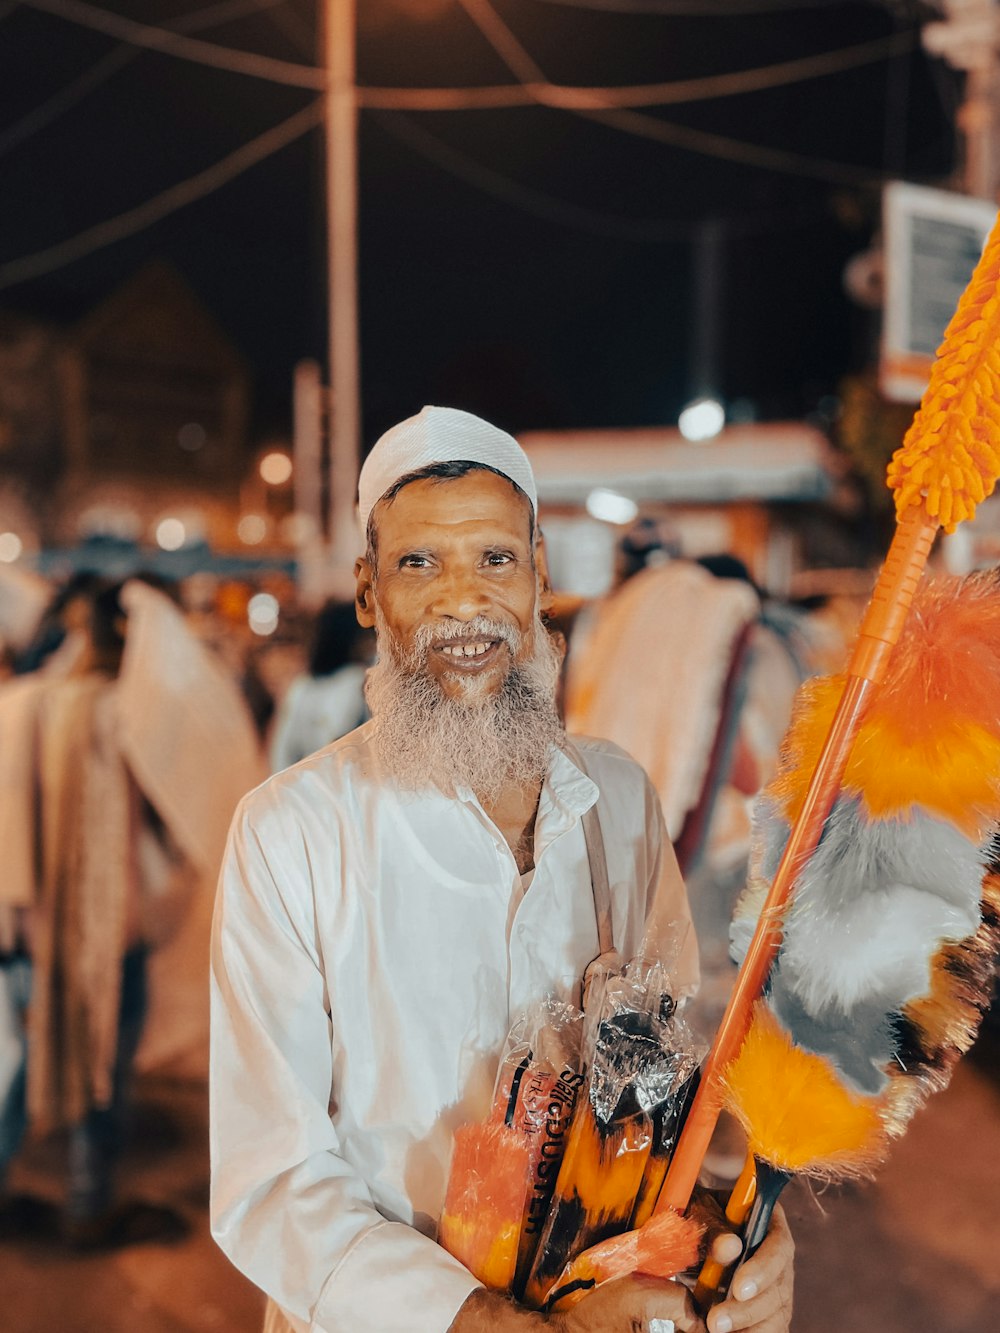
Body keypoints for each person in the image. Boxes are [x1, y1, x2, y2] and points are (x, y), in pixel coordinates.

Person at [210, 406, 795, 1333]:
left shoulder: (618, 798)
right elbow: (271, 1180)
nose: (464, 601)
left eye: (495, 559)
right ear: (367, 593)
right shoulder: (292, 834)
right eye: (418, 563)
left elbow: (677, 1082)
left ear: (539, 578)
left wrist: (743, 1228)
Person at [268, 598, 374, 773]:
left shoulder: (301, 687)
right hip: (340, 782)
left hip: (307, 783)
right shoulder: (355, 681)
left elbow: (282, 751)